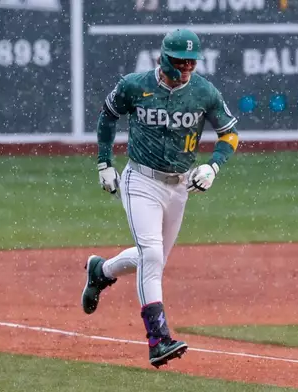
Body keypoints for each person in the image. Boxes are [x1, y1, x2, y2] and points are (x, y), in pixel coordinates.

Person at [81, 28, 240, 368]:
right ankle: (158, 339)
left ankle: (101, 271)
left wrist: (213, 167)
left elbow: (230, 134)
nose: (186, 69)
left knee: (152, 259)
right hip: (140, 179)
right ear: (162, 59)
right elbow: (108, 116)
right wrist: (104, 162)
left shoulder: (203, 92)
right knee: (151, 255)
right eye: (179, 63)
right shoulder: (135, 85)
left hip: (179, 186)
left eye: (190, 63)